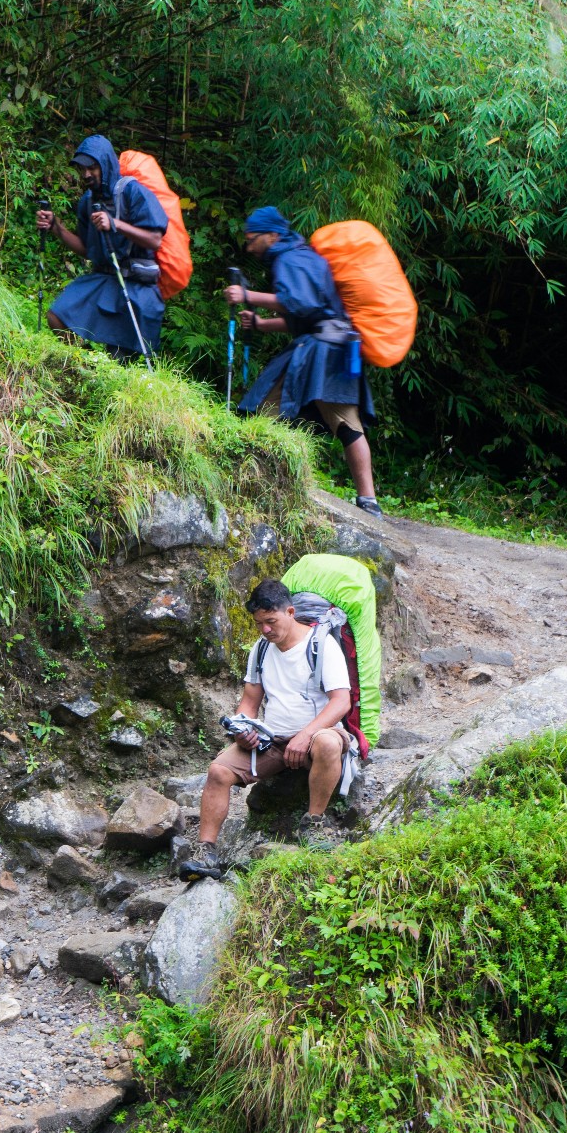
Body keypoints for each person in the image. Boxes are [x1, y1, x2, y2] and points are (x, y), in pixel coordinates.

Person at [181, 578, 355, 876]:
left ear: (290, 612)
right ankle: (206, 851)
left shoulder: (322, 645)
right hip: (272, 738)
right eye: (259, 623)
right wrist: (243, 728)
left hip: (317, 735)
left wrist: (305, 735)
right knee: (218, 771)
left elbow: (341, 702)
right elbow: (250, 701)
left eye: (271, 621)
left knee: (327, 742)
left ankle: (314, 823)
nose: (265, 630)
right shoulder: (261, 650)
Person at [226, 207, 384, 518]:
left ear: (272, 235)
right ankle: (257, 485)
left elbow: (301, 303)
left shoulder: (290, 259)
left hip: (324, 352)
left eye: (252, 239)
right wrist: (261, 324)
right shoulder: (301, 256)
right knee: (268, 408)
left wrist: (247, 295)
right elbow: (307, 315)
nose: (249, 247)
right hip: (331, 345)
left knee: (341, 421)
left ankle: (368, 501)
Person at [34, 136, 168, 361]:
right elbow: (88, 249)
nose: (86, 174)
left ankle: (104, 374)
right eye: (82, 169)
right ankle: (87, 368)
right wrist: (56, 227)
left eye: (92, 167)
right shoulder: (87, 201)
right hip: (103, 281)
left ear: (105, 163)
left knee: (121, 361)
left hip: (136, 286)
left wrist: (115, 224)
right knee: (57, 317)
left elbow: (155, 239)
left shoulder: (133, 192)